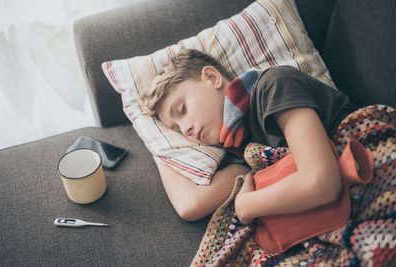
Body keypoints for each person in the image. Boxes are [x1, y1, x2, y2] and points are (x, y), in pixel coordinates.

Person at [139, 49, 358, 224]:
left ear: (212, 78)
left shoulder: (273, 86)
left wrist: (246, 205)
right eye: (177, 130)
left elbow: (322, 182)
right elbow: (191, 204)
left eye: (183, 109)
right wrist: (158, 148)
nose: (186, 129)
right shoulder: (243, 151)